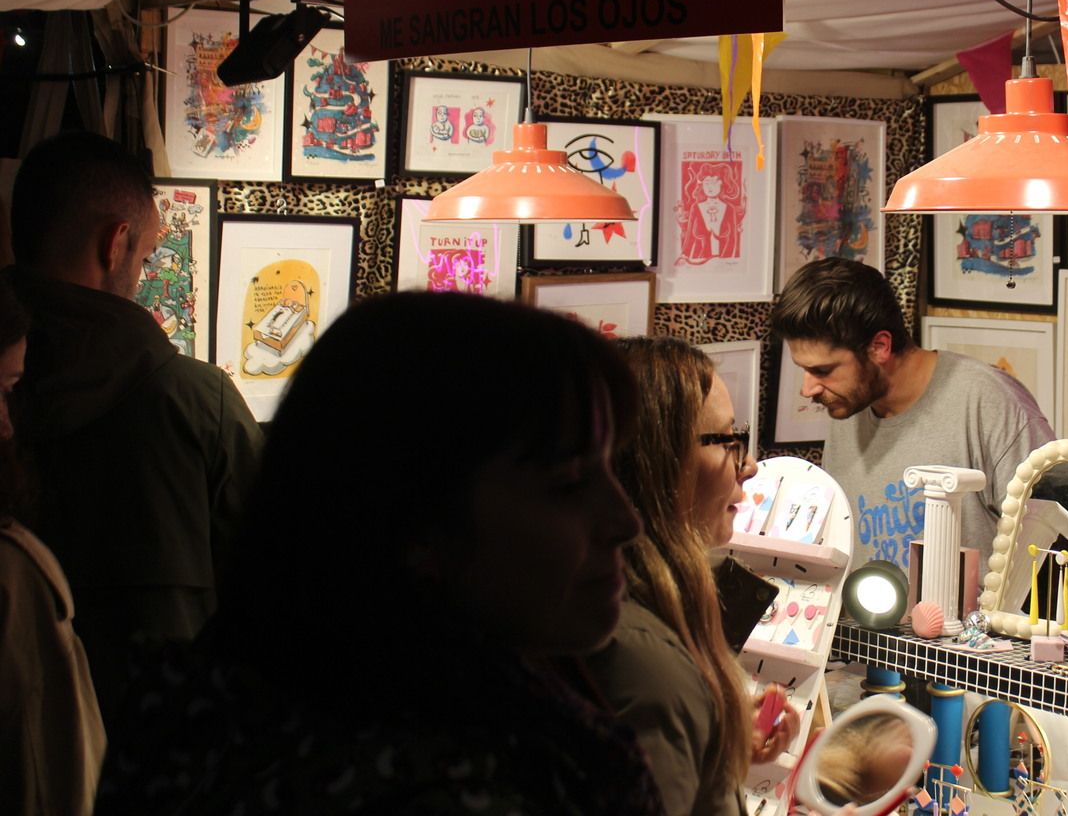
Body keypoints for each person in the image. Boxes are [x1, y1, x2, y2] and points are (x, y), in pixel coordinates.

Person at [96, 293, 664, 815]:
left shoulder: (207, 718)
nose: (625, 521)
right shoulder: (439, 784)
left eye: (611, 468)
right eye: (568, 481)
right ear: (415, 523)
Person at [4, 131, 262, 721]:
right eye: (146, 257)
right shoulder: (198, 400)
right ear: (115, 243)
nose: (142, 272)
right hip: (159, 739)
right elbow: (275, 575)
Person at [588, 336, 799, 815]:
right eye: (726, 439)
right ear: (659, 460)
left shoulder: (640, 616)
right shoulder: (642, 662)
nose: (747, 464)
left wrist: (712, 747)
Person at [769, 258, 1054, 569]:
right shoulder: (848, 405)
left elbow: (1057, 548)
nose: (807, 389)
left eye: (822, 370)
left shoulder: (988, 402)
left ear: (879, 347)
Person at [0, 279, 106, 816]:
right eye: (0, 389)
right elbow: (53, 780)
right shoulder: (14, 576)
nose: (4, 425)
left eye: (10, 392)